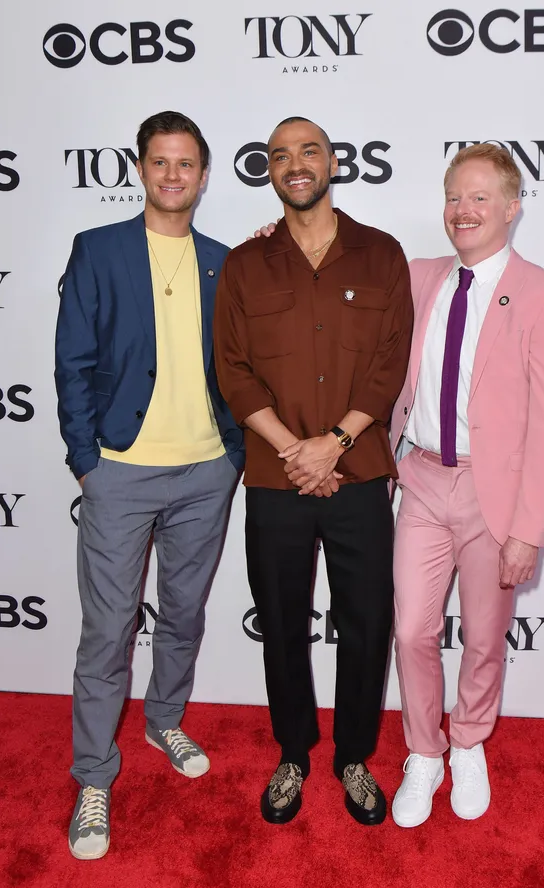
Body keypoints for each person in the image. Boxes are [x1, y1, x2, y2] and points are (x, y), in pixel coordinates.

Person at [55, 111, 244, 860]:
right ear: (140, 169)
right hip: (120, 471)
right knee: (107, 631)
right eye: (160, 162)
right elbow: (72, 361)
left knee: (184, 614)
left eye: (185, 163)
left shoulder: (224, 262)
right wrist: (86, 459)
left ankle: (164, 720)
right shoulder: (98, 250)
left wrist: (232, 457)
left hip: (207, 470)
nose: (172, 175)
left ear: (204, 175)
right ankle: (94, 777)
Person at [214, 116, 413, 826]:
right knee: (281, 620)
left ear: (332, 163)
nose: (294, 164)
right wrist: (297, 452)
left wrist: (333, 442)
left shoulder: (382, 254)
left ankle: (354, 755)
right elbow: (232, 371)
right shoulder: (245, 264)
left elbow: (389, 365)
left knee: (366, 621)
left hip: (358, 473)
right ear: (268, 171)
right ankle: (293, 752)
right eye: (279, 155)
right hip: (277, 481)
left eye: (308, 151)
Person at [389, 143, 544, 827]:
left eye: (478, 197)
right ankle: (424, 751)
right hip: (420, 479)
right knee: (410, 629)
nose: (462, 210)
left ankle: (468, 741)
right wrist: (277, 235)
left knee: (482, 636)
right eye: (453, 197)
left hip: (492, 495)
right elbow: (340, 268)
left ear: (511, 207)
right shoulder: (417, 276)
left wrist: (529, 530)